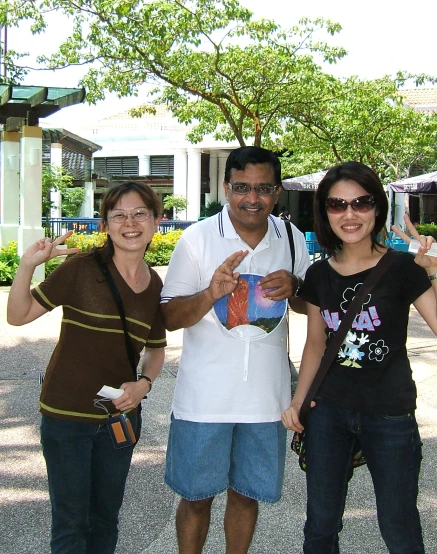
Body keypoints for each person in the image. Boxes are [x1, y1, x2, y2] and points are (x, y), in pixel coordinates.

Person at [281, 161, 437, 554]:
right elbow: (316, 344)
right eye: (337, 205)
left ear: (377, 208)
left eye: (361, 203)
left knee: (399, 527)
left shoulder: (402, 268)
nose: (350, 214)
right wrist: (299, 402)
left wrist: (436, 272)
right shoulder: (318, 275)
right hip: (328, 411)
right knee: (320, 525)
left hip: (389, 412)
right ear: (325, 212)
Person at [161, 146, 310, 554]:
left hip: (266, 400)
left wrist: (294, 287)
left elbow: (307, 307)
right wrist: (210, 292)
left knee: (246, 495)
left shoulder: (292, 239)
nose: (252, 198)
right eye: (242, 187)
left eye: (263, 188)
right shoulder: (198, 238)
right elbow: (170, 316)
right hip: (203, 398)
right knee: (195, 498)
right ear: (226, 188)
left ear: (277, 192)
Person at [6, 182, 167, 553]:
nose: (130, 222)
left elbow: (155, 351)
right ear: (105, 225)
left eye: (140, 213)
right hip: (66, 416)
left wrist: (143, 384)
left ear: (156, 221)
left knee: (105, 519)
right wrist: (27, 265)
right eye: (119, 215)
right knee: (70, 523)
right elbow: (19, 315)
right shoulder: (81, 268)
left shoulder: (154, 283)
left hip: (120, 418)